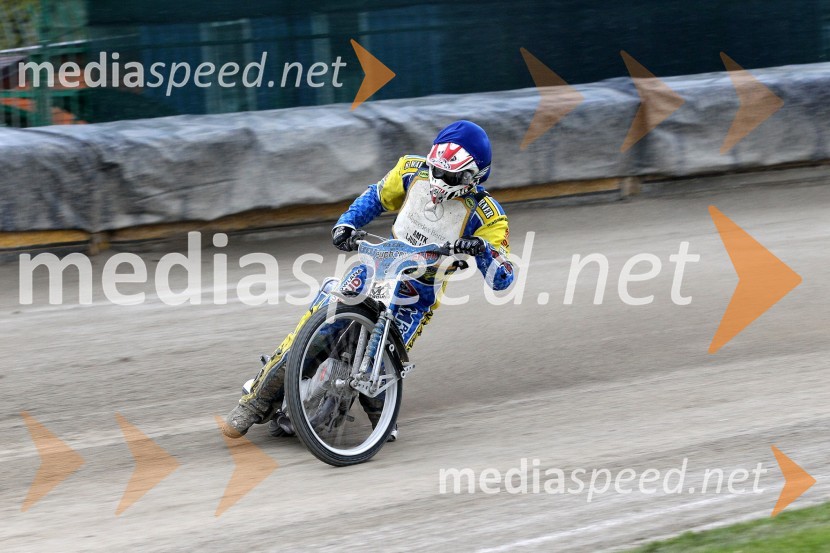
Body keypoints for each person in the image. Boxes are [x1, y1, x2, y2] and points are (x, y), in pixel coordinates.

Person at [222, 120, 514, 440]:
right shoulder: (410, 169)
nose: (438, 178)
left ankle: (377, 404)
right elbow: (375, 196)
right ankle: (257, 398)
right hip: (376, 265)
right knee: (323, 319)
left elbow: (503, 277)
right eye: (435, 168)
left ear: (474, 176)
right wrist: (347, 224)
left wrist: (484, 250)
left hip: (417, 292)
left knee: (383, 356)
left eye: (450, 174)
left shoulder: (488, 215)